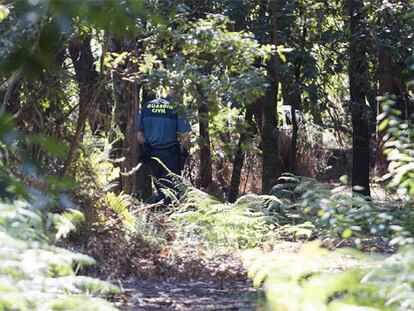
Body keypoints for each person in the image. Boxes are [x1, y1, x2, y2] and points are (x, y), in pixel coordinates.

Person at [136, 91, 191, 205]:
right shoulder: (177, 109)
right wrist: (183, 152)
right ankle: (169, 217)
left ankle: (156, 215)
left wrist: (147, 146)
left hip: (151, 153)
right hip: (171, 155)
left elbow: (139, 137)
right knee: (172, 190)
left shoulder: (147, 107)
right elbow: (185, 139)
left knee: (159, 187)